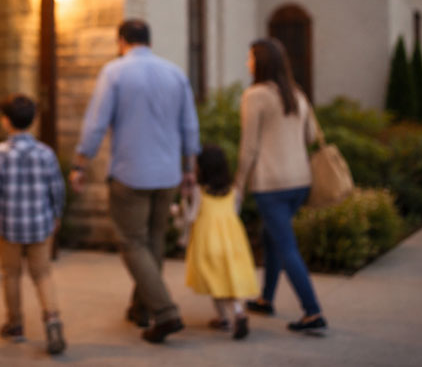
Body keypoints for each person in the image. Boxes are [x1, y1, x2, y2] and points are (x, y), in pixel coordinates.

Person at [69, 19, 200, 343]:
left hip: (131, 172)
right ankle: (141, 308)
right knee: (153, 239)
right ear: (149, 41)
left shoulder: (115, 72)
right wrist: (189, 168)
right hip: (168, 172)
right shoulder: (175, 73)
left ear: (120, 41)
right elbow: (190, 126)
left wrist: (80, 163)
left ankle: (165, 311)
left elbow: (96, 122)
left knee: (131, 242)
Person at [234, 37, 328, 333]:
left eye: (250, 58)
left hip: (271, 183)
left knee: (286, 246)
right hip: (299, 181)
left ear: (261, 62)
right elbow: (313, 135)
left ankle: (312, 311)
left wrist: (238, 186)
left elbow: (248, 147)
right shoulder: (296, 94)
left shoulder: (256, 95)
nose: (247, 63)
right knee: (271, 237)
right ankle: (266, 298)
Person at [0, 94, 67, 355]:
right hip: (40, 225)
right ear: (33, 121)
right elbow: (57, 188)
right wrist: (56, 214)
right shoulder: (45, 153)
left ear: (5, 122)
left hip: (9, 227)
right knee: (43, 274)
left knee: (11, 274)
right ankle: (53, 320)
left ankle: (15, 325)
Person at [184, 144, 258, 340]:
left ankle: (224, 319)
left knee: (215, 280)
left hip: (208, 244)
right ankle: (238, 312)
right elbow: (235, 214)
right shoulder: (234, 192)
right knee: (230, 279)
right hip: (232, 243)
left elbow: (192, 217)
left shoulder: (200, 192)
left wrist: (183, 202)